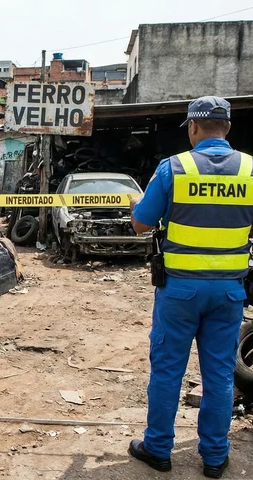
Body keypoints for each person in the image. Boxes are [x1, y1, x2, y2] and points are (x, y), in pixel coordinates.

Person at [129, 96, 252, 478]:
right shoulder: (250, 169)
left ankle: (158, 450)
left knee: (167, 372)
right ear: (227, 128)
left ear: (193, 127)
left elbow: (141, 224)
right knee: (219, 375)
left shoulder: (174, 168)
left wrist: (136, 202)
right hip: (229, 293)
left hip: (180, 292)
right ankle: (214, 458)